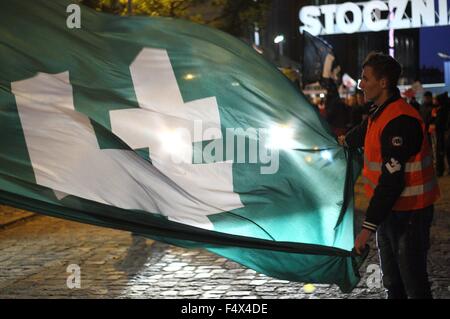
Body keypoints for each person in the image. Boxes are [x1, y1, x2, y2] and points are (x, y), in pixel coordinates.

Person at [338, 52, 440, 299]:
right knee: (393, 283)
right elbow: (353, 138)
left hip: (410, 214)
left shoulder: (400, 120)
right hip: (390, 214)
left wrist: (366, 228)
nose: (360, 84)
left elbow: (391, 182)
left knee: (413, 285)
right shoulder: (379, 112)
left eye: (365, 78)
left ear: (383, 83)